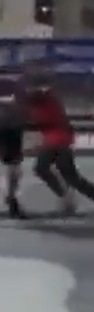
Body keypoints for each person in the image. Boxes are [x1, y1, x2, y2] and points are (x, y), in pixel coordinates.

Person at [23, 73, 94, 221]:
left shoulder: (42, 97)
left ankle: (79, 199)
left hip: (58, 138)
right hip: (56, 138)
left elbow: (31, 98)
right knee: (69, 176)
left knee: (46, 169)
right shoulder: (39, 98)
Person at [0, 71, 27, 219]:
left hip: (11, 127)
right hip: (11, 126)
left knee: (14, 167)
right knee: (14, 167)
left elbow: (22, 102)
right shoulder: (17, 79)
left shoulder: (17, 80)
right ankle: (11, 200)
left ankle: (12, 200)